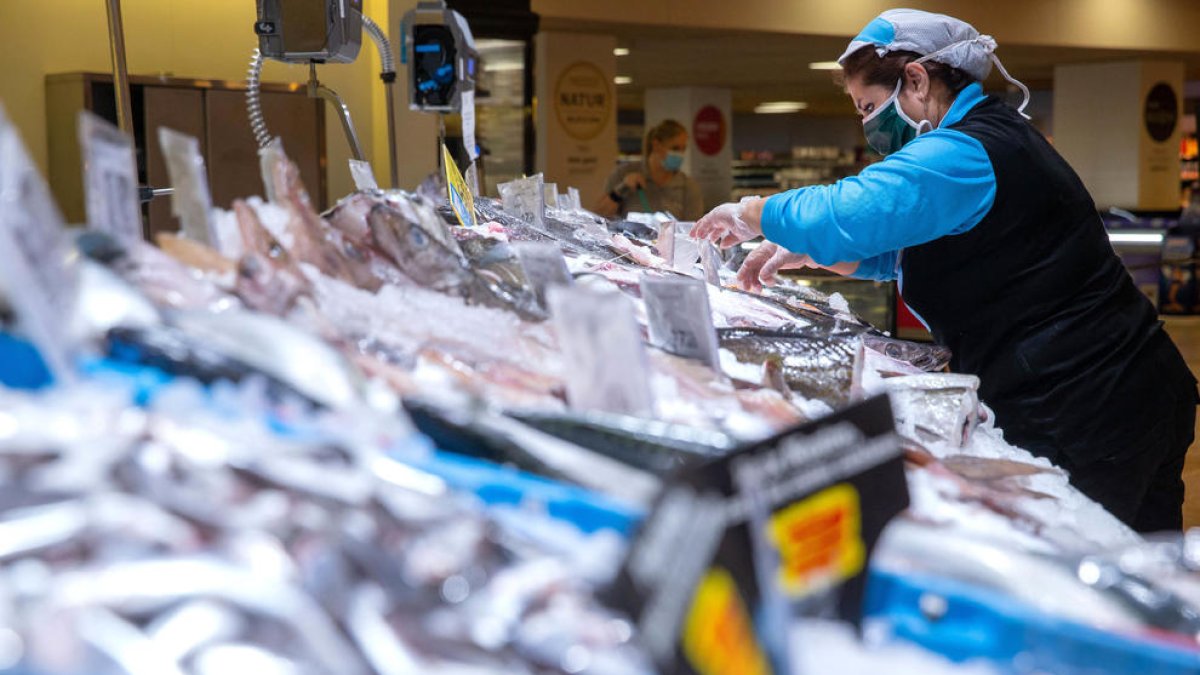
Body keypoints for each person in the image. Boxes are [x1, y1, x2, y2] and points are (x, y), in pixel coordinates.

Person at [693, 8, 1198, 532]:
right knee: (1143, 569)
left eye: (869, 106)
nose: (867, 125)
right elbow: (932, 249)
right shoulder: (989, 136)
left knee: (1093, 573)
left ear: (916, 79)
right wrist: (816, 254)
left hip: (1089, 403)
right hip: (1123, 386)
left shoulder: (966, 151)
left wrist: (751, 211)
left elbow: (846, 209)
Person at [595, 119, 705, 221]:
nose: (680, 155)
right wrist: (622, 189)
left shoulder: (688, 186)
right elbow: (599, 215)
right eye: (675, 148)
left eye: (683, 149)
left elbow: (694, 231)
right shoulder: (623, 173)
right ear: (656, 145)